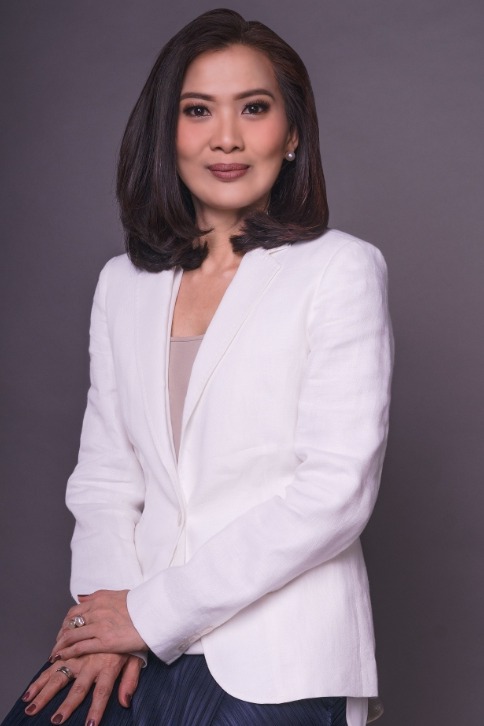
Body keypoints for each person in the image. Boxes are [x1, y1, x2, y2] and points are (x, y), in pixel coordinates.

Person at [3, 8, 393, 726]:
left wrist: (151, 613)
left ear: (293, 133)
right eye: (198, 110)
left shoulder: (339, 269)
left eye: (255, 108)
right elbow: (106, 477)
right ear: (167, 130)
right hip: (135, 637)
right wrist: (104, 622)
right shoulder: (122, 284)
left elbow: (333, 491)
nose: (227, 137)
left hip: (278, 655)